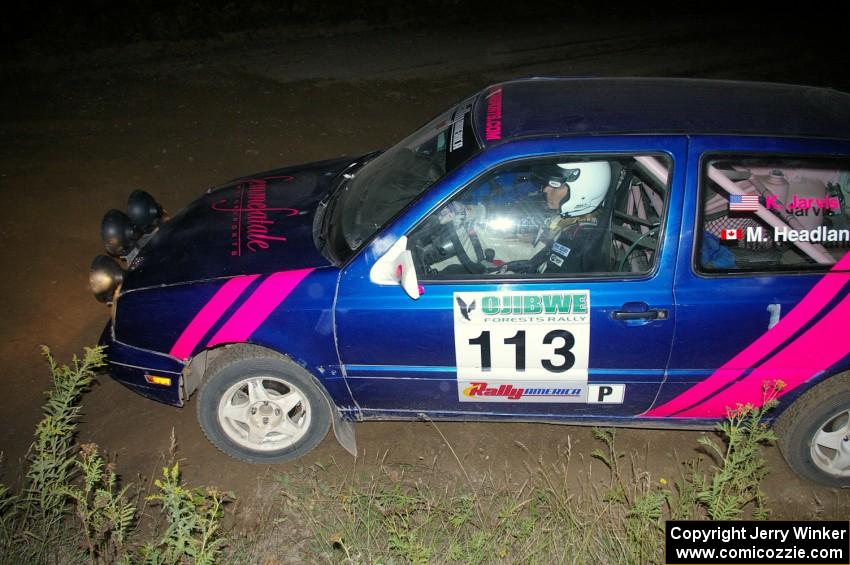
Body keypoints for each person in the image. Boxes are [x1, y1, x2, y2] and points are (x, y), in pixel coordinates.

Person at [505, 160, 613, 274]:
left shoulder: (579, 237)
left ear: (582, 192)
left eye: (555, 186)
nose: (546, 189)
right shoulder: (568, 221)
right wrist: (535, 239)